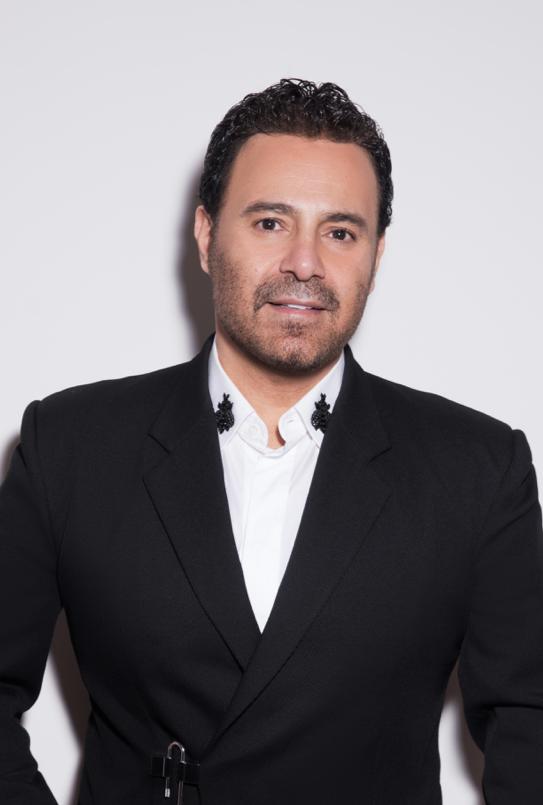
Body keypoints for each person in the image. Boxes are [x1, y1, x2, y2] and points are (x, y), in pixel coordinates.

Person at [0, 78, 542, 805]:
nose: (304, 263)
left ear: (376, 254)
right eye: (269, 223)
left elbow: (530, 725)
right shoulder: (69, 446)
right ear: (205, 235)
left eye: (340, 232)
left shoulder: (478, 469)